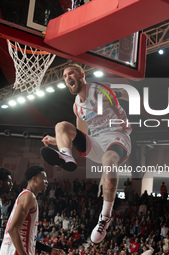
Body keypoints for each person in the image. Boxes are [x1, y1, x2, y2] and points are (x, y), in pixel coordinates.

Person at [41, 63, 131, 244]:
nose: (68, 78)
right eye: (65, 76)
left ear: (82, 75)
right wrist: (57, 140)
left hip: (117, 136)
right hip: (96, 142)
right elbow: (80, 132)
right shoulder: (77, 106)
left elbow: (128, 93)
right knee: (62, 127)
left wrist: (116, 95)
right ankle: (65, 155)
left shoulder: (99, 89)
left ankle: (104, 217)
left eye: (71, 73)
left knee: (109, 160)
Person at [0, 166, 64, 255]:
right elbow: (13, 229)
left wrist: (49, 249)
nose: (46, 182)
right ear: (35, 179)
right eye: (44, 179)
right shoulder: (29, 197)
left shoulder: (26, 196)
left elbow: (28, 238)